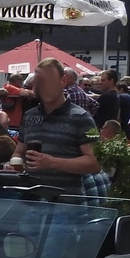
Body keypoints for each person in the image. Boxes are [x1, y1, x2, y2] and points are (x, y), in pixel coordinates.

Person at [19, 58, 99, 193]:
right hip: (31, 202)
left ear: (63, 81)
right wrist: (14, 163)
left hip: (65, 205)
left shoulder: (81, 117)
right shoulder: (30, 116)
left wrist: (52, 163)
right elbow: (19, 152)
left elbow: (95, 163)